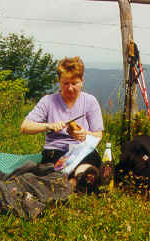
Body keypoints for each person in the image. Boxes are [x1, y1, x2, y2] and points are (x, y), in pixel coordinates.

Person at [20, 56, 104, 191]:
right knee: (60, 167)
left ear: (82, 81)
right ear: (59, 81)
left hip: (82, 150)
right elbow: (25, 127)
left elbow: (98, 134)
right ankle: (78, 181)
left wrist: (85, 134)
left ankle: (73, 180)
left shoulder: (90, 101)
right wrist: (48, 125)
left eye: (74, 83)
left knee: (88, 160)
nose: (70, 88)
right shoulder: (48, 101)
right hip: (55, 151)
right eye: (65, 83)